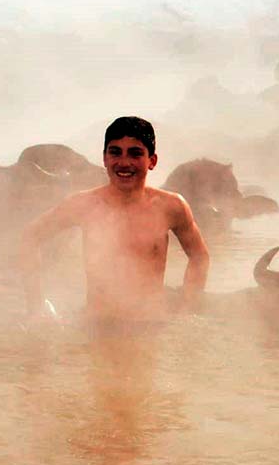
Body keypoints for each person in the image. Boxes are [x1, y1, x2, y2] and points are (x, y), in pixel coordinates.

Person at [19, 116, 210, 330]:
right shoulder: (84, 204)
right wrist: (35, 306)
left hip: (151, 327)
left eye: (135, 153)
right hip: (96, 327)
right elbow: (30, 236)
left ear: (152, 161)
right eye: (115, 152)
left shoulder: (171, 206)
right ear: (105, 158)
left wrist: (188, 310)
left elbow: (199, 256)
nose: (124, 162)